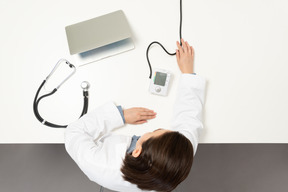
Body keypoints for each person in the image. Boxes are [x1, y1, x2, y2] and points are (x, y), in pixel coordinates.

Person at [65, 39, 206, 192]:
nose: (153, 130)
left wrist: (120, 116)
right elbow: (189, 119)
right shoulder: (180, 154)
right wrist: (188, 73)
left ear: (137, 151)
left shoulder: (99, 164)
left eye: (152, 132)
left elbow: (73, 132)